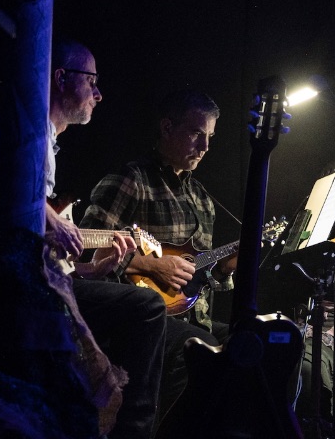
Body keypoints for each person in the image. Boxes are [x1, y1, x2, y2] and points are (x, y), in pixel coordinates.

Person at [45, 39, 168, 439]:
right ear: (61, 78)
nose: (98, 94)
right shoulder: (32, 131)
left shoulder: (49, 142)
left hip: (49, 277)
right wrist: (50, 220)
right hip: (20, 281)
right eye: (91, 81)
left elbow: (52, 255)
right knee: (148, 307)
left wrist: (91, 269)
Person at [80, 88, 235, 418]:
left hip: (194, 317)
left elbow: (198, 277)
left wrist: (223, 270)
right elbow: (85, 249)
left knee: (263, 340)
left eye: (210, 137)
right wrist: (152, 266)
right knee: (198, 348)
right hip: (143, 321)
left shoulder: (203, 199)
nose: (205, 147)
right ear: (167, 128)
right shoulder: (131, 180)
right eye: (196, 133)